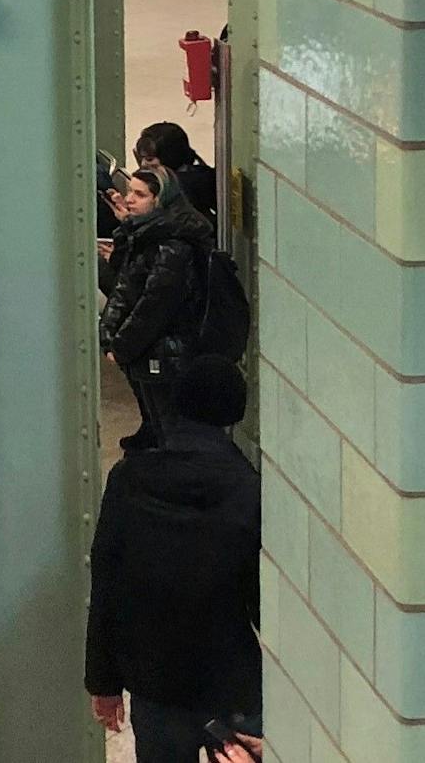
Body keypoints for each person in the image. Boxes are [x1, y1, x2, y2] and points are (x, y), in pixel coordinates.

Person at [86, 357, 261, 763]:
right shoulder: (247, 488)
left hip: (156, 680)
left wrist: (104, 681)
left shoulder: (128, 480)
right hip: (231, 674)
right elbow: (262, 596)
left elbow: (106, 581)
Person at [99, 168, 215, 452]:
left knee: (171, 430)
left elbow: (153, 306)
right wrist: (127, 225)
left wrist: (121, 345)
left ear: (160, 200)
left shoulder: (171, 247)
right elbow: (130, 278)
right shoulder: (150, 233)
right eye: (130, 192)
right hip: (152, 350)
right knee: (159, 422)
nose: (130, 199)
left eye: (140, 194)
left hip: (164, 352)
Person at [134, 121, 219, 221]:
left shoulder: (180, 187)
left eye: (149, 159)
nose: (143, 164)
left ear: (169, 158)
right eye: (141, 158)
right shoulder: (201, 175)